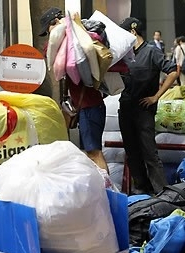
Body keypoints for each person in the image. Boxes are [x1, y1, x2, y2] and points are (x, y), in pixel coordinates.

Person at [39, 7, 109, 173]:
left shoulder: (73, 41)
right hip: (89, 106)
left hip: (89, 107)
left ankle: (107, 189)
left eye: (48, 29)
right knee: (89, 153)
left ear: (54, 22)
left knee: (94, 153)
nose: (49, 34)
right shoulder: (69, 42)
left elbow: (49, 51)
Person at [119, 18, 178, 195]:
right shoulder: (124, 54)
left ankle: (162, 192)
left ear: (133, 32)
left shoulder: (152, 52)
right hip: (126, 108)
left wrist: (155, 97)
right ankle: (141, 190)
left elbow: (173, 71)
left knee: (149, 153)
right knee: (132, 152)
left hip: (144, 110)